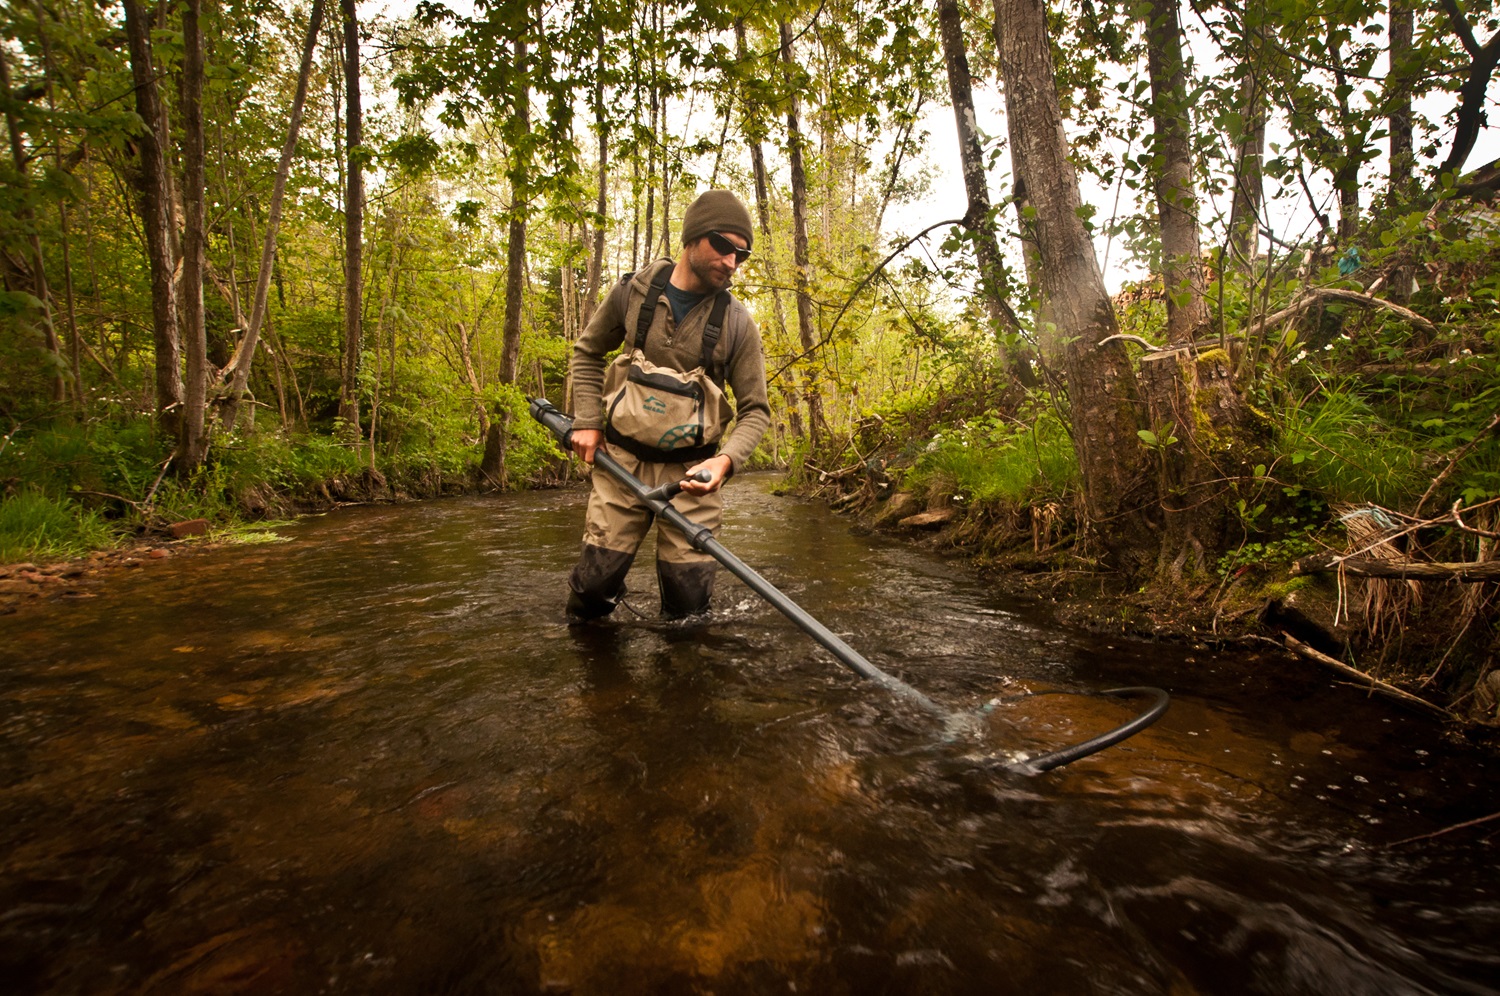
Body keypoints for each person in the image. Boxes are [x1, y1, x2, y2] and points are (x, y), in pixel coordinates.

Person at [564, 189, 771, 623]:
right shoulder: (631, 293)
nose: (732, 262)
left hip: (693, 477)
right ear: (692, 238)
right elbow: (586, 354)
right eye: (723, 246)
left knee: (688, 612)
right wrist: (587, 421)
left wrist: (725, 463)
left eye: (742, 254)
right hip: (619, 466)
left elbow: (756, 410)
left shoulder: (738, 324)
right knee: (592, 594)